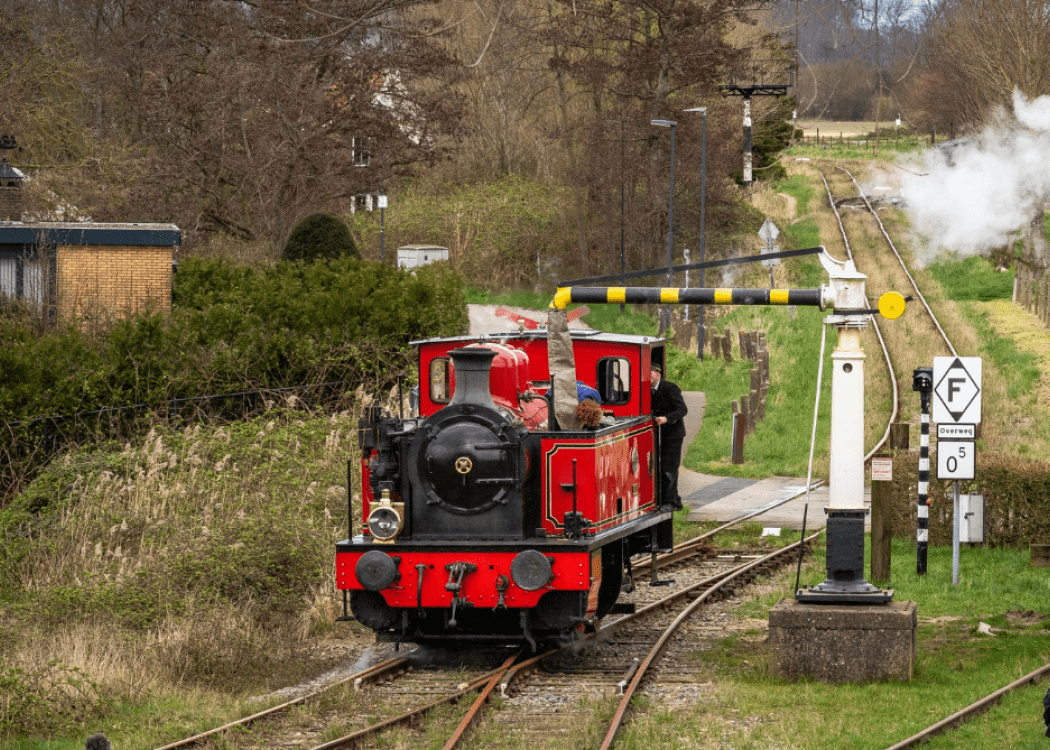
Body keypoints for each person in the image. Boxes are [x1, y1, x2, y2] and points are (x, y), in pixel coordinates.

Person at [650, 364, 688, 510]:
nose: (648, 376)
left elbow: (682, 409)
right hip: (659, 434)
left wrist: (667, 418)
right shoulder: (648, 390)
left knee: (669, 467)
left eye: (651, 373)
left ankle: (670, 502)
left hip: (673, 433)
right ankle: (670, 499)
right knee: (659, 467)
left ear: (658, 375)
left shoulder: (670, 388)